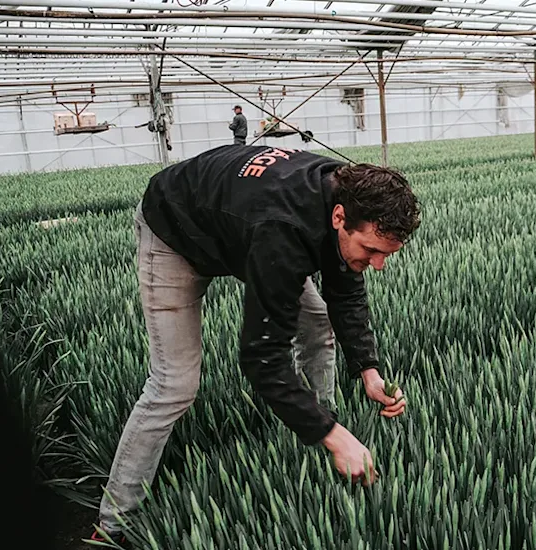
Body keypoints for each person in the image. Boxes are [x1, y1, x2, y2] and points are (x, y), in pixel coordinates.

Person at [90, 144, 420, 544]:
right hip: (176, 232)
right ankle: (112, 524)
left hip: (240, 223)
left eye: (386, 254)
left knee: (317, 322)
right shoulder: (283, 229)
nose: (378, 264)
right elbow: (262, 356)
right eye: (371, 251)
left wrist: (368, 372)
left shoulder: (347, 195)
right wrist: (337, 437)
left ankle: (321, 421)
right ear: (339, 219)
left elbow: (345, 292)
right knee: (173, 386)